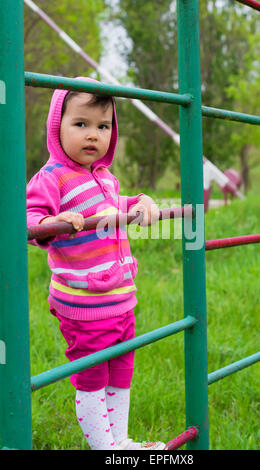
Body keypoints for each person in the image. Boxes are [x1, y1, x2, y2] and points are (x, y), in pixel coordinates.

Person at [26, 77, 165, 450]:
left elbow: (116, 209)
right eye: (81, 124)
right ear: (57, 127)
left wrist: (142, 202)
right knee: (91, 378)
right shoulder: (51, 178)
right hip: (85, 306)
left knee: (121, 374)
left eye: (103, 127)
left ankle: (120, 442)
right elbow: (30, 219)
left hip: (122, 301)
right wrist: (53, 224)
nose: (93, 136)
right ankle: (106, 451)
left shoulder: (106, 178)